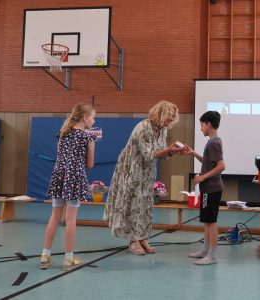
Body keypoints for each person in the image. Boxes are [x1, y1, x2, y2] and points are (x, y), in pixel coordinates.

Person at [103, 100, 182, 255]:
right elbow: (149, 154)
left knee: (145, 205)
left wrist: (172, 151)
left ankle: (143, 237)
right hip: (132, 170)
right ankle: (133, 240)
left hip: (147, 172)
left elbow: (160, 151)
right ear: (160, 113)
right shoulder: (143, 128)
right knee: (134, 204)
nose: (171, 120)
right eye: (169, 116)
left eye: (174, 117)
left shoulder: (162, 129)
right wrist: (168, 150)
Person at [39, 103, 96, 271]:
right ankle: (68, 259)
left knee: (54, 216)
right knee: (70, 219)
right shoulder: (88, 138)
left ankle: (44, 256)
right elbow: (90, 164)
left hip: (59, 176)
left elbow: (61, 157)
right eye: (93, 117)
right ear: (85, 118)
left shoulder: (62, 134)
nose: (94, 120)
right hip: (75, 178)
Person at [184, 111, 225, 265]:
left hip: (212, 188)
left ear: (208, 124)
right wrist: (194, 153)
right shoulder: (212, 141)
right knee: (207, 221)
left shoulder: (214, 142)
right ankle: (206, 250)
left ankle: (212, 256)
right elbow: (209, 162)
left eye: (202, 125)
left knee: (211, 221)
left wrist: (202, 177)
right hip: (208, 188)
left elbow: (221, 166)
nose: (200, 128)